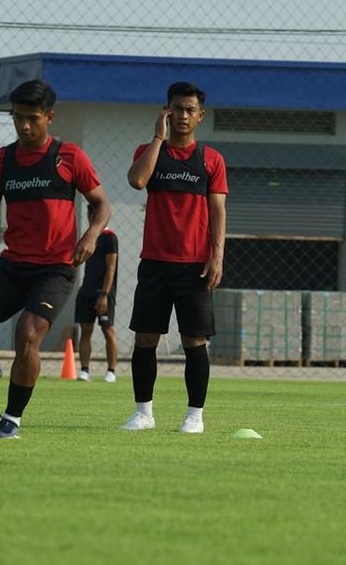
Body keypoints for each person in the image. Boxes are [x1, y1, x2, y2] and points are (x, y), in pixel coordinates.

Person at [0, 79, 111, 439]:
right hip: (14, 265)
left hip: (55, 268)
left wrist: (91, 235)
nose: (24, 125)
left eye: (32, 118)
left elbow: (102, 204)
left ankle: (11, 419)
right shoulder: (0, 161)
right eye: (17, 117)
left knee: (28, 332)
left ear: (50, 117)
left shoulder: (70, 157)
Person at [121, 82, 228, 434]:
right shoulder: (149, 151)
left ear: (200, 116)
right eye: (176, 109)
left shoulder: (211, 159)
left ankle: (194, 416)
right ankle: (143, 413)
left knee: (194, 342)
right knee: (145, 340)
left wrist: (217, 257)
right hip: (154, 263)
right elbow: (137, 181)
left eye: (189, 110)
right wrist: (157, 138)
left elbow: (218, 212)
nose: (182, 116)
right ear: (166, 111)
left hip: (194, 266)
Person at [73, 203, 119, 382]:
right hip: (86, 291)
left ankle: (111, 371)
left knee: (108, 330)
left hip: (104, 293)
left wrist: (105, 295)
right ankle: (85, 370)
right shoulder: (88, 237)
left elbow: (111, 268)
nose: (90, 218)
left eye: (93, 214)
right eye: (89, 214)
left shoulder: (110, 238)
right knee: (85, 330)